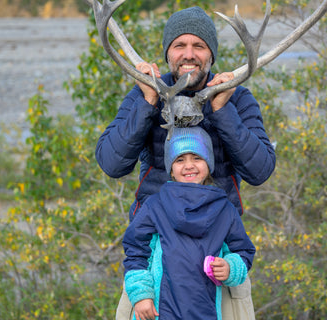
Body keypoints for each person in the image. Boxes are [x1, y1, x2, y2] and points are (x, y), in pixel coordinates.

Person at [95, 6, 276, 320]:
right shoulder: (146, 91)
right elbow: (111, 162)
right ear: (168, 54)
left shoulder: (237, 98)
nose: (188, 54)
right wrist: (147, 102)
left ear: (211, 55)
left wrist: (223, 111)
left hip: (221, 258)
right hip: (152, 258)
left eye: (199, 46)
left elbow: (260, 170)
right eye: (179, 45)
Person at [122, 126, 255, 320]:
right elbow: (136, 250)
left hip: (206, 311)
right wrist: (141, 295)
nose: (189, 165)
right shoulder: (155, 206)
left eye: (197, 158)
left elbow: (243, 252)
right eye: (180, 159)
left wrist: (230, 267)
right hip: (159, 311)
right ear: (171, 170)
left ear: (209, 164)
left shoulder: (225, 210)